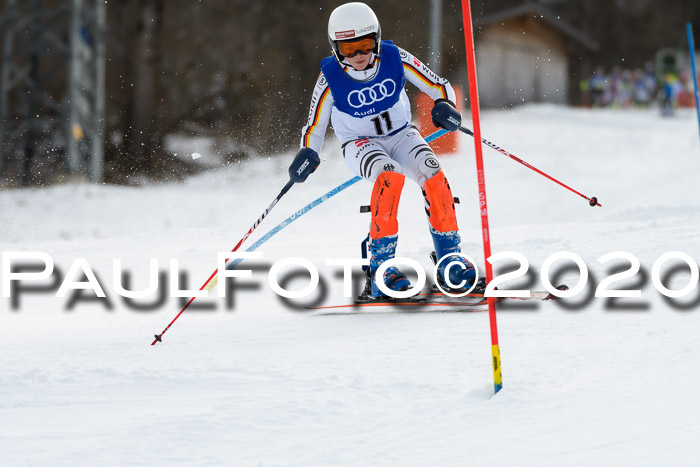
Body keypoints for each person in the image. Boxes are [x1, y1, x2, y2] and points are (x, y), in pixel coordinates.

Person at [288, 2, 475, 299]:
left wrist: (444, 105)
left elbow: (438, 86)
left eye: (365, 45)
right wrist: (308, 153)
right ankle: (381, 269)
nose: (359, 56)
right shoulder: (330, 78)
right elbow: (314, 127)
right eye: (349, 49)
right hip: (360, 144)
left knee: (434, 173)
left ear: (376, 39)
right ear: (336, 48)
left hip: (401, 134)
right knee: (390, 176)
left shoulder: (394, 57)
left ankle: (450, 260)